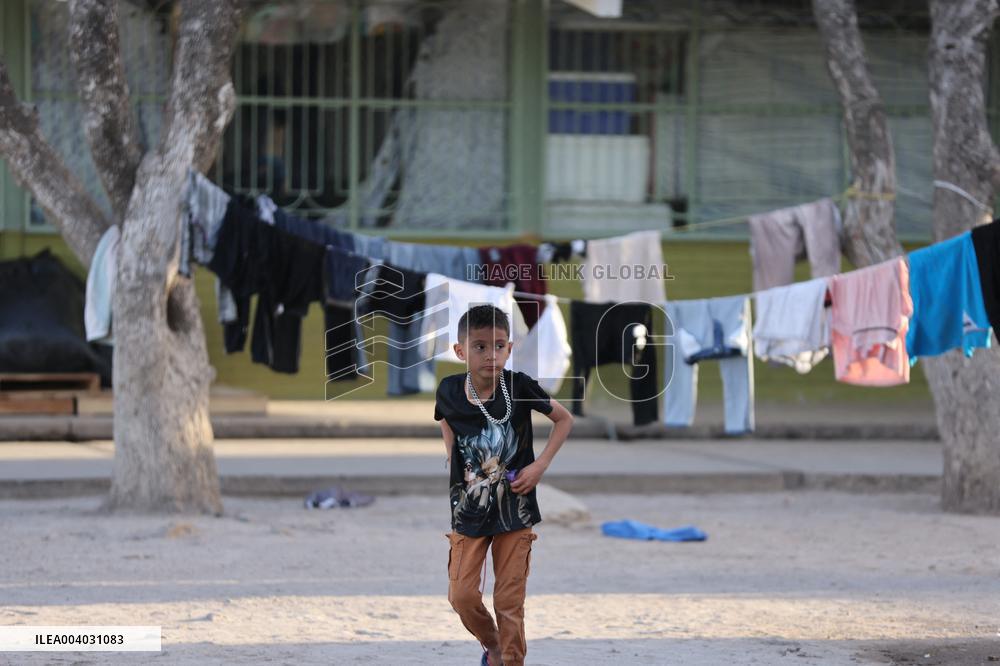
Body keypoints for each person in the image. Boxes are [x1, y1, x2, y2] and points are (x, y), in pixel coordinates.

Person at [434, 304, 574, 666]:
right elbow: (445, 420)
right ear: (460, 351)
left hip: (516, 507)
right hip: (468, 510)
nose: (490, 355)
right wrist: (452, 456)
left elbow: (564, 420)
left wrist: (539, 466)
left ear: (509, 348)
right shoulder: (449, 390)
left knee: (509, 603)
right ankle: (492, 644)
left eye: (498, 346)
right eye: (479, 346)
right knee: (461, 596)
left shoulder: (520, 386)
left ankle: (509, 660)